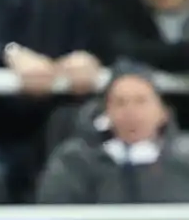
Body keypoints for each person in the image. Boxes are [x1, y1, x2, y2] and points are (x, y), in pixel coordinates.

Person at [34, 66, 189, 204]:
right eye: (120, 102)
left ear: (163, 112)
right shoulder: (76, 161)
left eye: (141, 101)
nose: (131, 112)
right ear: (107, 113)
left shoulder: (183, 160)